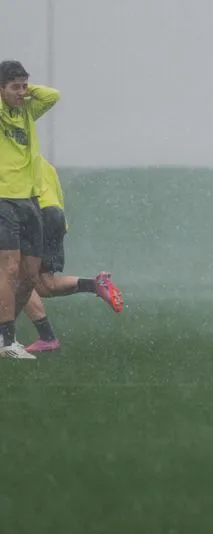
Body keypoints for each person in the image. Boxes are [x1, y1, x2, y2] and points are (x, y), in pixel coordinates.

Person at [22, 155, 124, 352]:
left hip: (34, 214)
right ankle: (96, 285)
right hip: (55, 216)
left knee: (16, 280)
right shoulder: (42, 162)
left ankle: (47, 337)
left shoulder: (11, 158)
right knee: (44, 285)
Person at [0, 60, 59, 359]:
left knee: (30, 275)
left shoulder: (27, 110)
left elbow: (52, 96)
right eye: (15, 87)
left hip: (30, 201)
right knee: (8, 268)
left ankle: (5, 332)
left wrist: (24, 91)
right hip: (2, 199)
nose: (22, 92)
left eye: (25, 85)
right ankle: (6, 340)